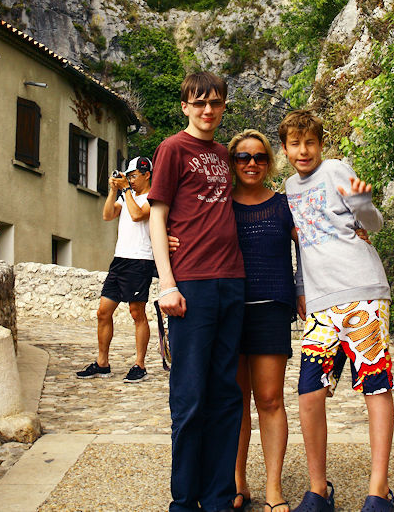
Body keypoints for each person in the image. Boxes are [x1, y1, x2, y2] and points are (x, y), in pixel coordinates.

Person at [171, 128, 299, 512]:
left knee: (271, 399)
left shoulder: (283, 204)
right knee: (234, 401)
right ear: (231, 163)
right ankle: (235, 482)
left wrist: (357, 227)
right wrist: (165, 231)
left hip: (271, 307)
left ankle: (273, 487)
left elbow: (312, 244)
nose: (252, 164)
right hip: (227, 307)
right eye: (243, 157)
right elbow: (179, 216)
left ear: (268, 162)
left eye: (259, 157)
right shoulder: (218, 202)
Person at [279, 109, 394, 512]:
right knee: (310, 393)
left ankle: (378, 491)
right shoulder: (289, 189)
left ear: (320, 144)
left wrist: (363, 203)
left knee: (375, 385)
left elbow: (373, 224)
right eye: (295, 143)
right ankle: (318, 489)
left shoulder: (335, 169)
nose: (303, 150)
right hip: (320, 303)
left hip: (362, 291)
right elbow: (301, 245)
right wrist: (299, 289)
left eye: (310, 142)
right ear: (285, 149)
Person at [149, 71, 245, 512]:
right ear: (185, 106)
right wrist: (166, 282)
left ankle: (220, 496)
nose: (209, 110)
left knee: (226, 395)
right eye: (200, 102)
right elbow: (156, 215)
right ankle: (185, 501)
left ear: (223, 107)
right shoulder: (172, 148)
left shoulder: (225, 154)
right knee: (189, 397)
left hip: (233, 281)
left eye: (216, 103)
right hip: (191, 283)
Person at [76, 157, 153, 383]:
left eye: (133, 176)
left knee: (137, 313)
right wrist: (113, 191)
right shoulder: (125, 195)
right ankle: (102, 363)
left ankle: (140, 364)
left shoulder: (154, 196)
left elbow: (139, 215)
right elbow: (108, 215)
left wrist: (126, 190)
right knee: (103, 312)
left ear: (146, 174)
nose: (130, 180)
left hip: (140, 259)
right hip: (120, 259)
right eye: (128, 177)